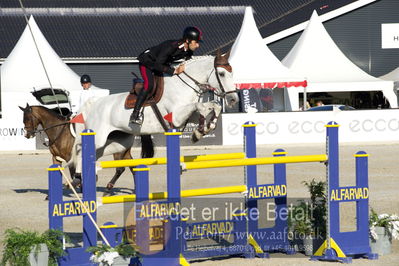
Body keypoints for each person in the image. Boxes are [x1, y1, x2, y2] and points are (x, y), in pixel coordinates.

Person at [130, 26, 203, 124]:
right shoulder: (171, 46)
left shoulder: (189, 50)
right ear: (187, 40)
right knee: (149, 85)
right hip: (148, 62)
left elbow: (188, 62)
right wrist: (174, 71)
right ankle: (135, 114)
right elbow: (157, 64)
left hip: (161, 64)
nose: (198, 45)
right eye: (196, 42)